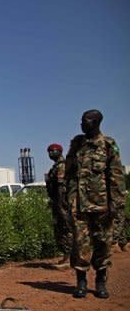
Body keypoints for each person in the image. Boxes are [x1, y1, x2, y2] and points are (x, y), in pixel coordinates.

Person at [65, 109, 126, 299]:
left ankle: (100, 282)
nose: (82, 124)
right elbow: (69, 172)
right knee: (79, 245)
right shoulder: (77, 144)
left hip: (102, 205)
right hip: (79, 205)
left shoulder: (108, 145)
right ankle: (81, 283)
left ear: (96, 123)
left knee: (103, 244)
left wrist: (116, 204)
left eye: (86, 121)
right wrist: (69, 199)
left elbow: (116, 177)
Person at [45, 143, 73, 267]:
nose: (51, 153)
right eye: (49, 151)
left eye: (53, 151)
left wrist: (61, 205)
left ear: (60, 151)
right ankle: (66, 255)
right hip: (57, 201)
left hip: (62, 202)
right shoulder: (55, 166)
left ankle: (70, 255)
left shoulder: (62, 166)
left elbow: (61, 187)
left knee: (66, 227)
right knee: (60, 228)